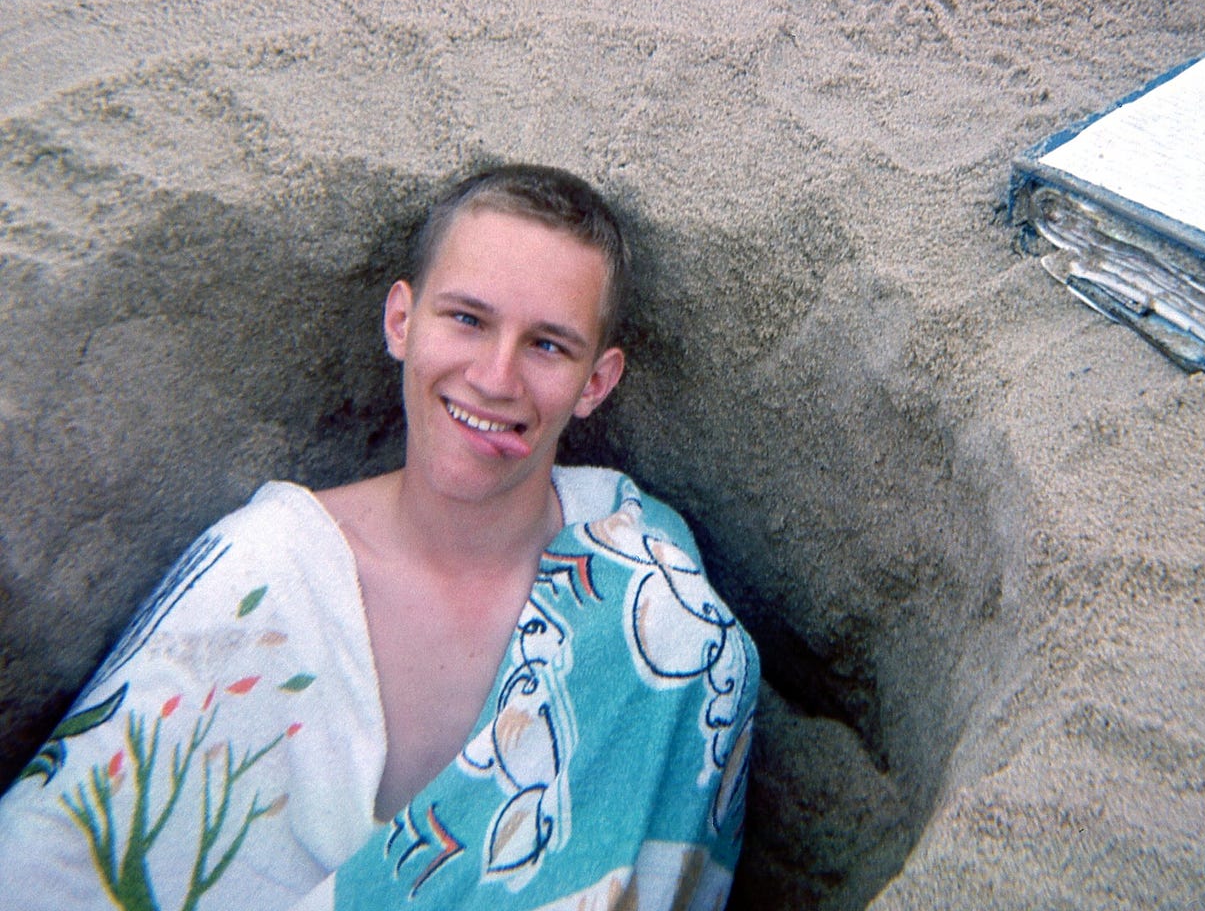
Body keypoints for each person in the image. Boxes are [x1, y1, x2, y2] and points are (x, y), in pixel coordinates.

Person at [0, 165, 758, 911]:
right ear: (402, 321)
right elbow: (53, 861)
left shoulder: (657, 619)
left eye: (548, 346)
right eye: (466, 318)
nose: (496, 376)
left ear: (596, 381)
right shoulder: (263, 575)